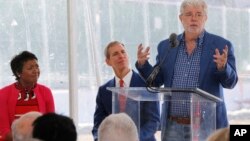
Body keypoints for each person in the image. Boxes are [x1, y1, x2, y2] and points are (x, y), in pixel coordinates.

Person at [136, 0, 238, 140]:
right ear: (181, 18)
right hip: (173, 125)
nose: (194, 18)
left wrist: (223, 68)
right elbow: (155, 82)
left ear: (205, 18)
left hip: (206, 124)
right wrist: (143, 64)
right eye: (189, 14)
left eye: (198, 14)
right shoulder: (166, 46)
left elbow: (231, 83)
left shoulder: (221, 45)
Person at [92, 41, 160, 141]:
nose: (121, 56)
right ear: (108, 61)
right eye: (115, 54)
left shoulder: (146, 85)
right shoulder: (103, 91)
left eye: (123, 52)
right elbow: (98, 125)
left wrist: (133, 139)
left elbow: (153, 122)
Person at [0, 51, 55, 141]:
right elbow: (4, 130)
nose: (36, 71)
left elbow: (51, 124)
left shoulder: (46, 92)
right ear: (18, 73)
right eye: (30, 68)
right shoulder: (3, 94)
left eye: (37, 67)